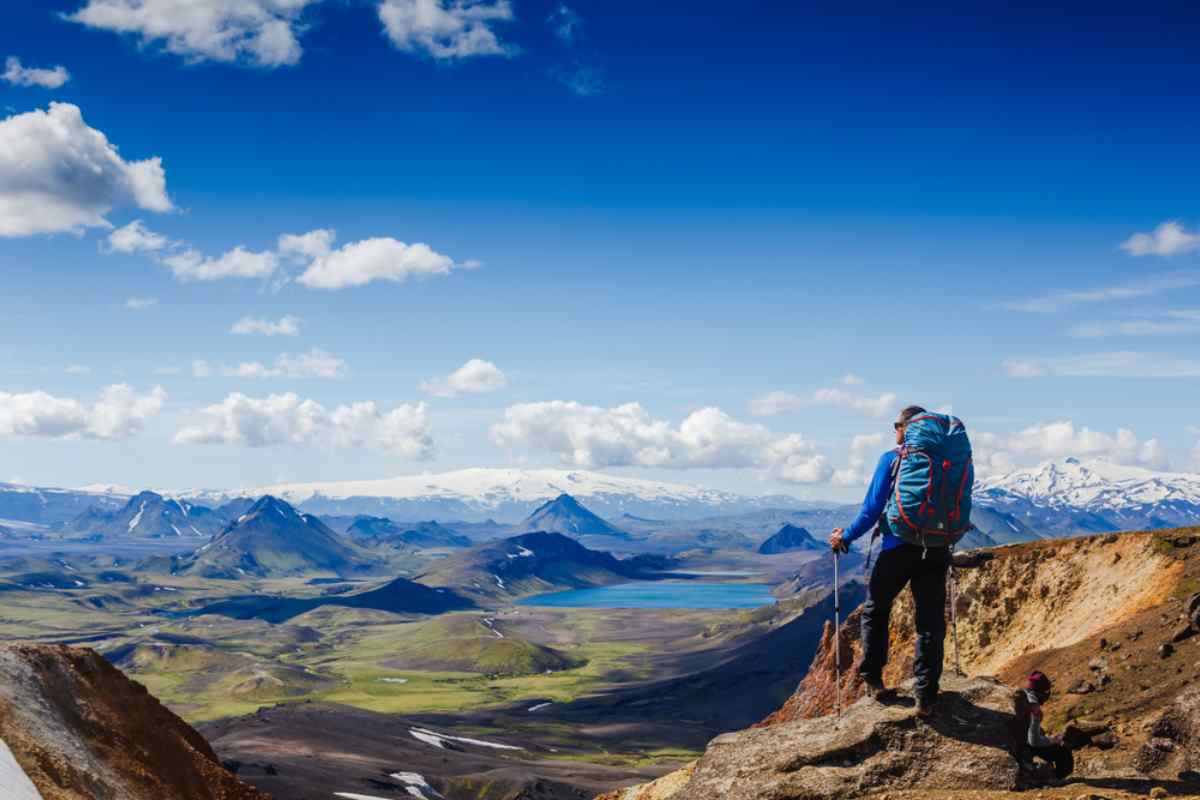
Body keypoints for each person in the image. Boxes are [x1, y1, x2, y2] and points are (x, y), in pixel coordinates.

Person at [829, 404, 952, 718]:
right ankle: (926, 695)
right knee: (930, 623)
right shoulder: (948, 461)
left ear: (907, 428)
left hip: (898, 548)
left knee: (876, 610)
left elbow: (871, 510)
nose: (894, 430)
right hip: (936, 549)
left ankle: (873, 679)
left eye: (896, 425)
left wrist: (845, 537)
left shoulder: (894, 459)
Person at [1012, 671, 1074, 781]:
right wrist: (1052, 740)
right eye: (1046, 692)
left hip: (1015, 739)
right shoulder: (1035, 709)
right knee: (1063, 751)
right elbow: (1034, 741)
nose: (1048, 695)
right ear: (1040, 693)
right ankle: (1056, 779)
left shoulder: (1020, 695)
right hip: (1024, 746)